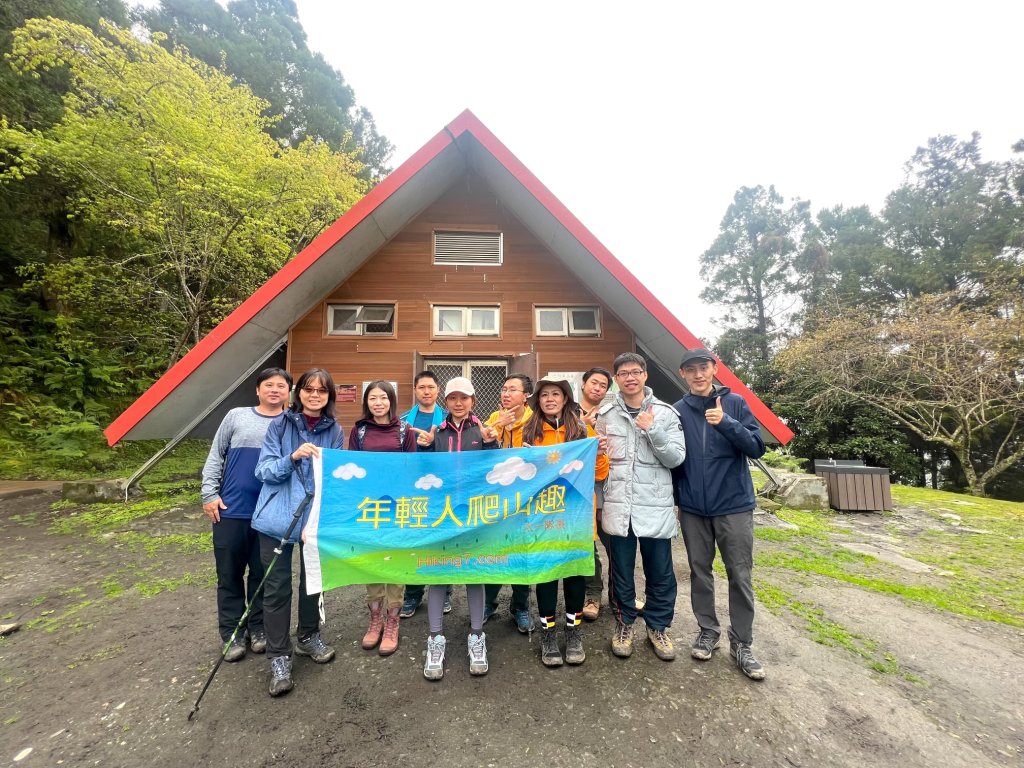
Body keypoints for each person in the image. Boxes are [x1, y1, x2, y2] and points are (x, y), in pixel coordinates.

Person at [673, 348, 767, 680]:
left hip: (733, 505)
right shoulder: (678, 410)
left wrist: (726, 423)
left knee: (739, 574)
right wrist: (677, 500)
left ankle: (742, 643)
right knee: (700, 572)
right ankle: (707, 631)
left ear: (714, 369)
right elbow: (674, 459)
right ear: (683, 374)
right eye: (691, 369)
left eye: (704, 367)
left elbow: (756, 447)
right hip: (693, 508)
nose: (698, 374)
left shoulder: (735, 403)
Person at [252, 368, 344, 697]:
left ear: (329, 395)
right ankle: (279, 655)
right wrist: (292, 457)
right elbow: (263, 470)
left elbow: (333, 479)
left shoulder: (335, 430)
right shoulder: (280, 425)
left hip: (313, 523)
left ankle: (308, 635)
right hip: (276, 519)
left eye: (322, 390)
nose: (315, 395)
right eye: (309, 389)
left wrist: (319, 521)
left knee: (312, 583)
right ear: (299, 392)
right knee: (276, 588)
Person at [596, 352, 686, 661]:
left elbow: (676, 458)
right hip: (618, 506)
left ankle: (658, 627)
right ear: (616, 379)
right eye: (623, 373)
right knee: (621, 571)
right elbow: (599, 464)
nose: (630, 378)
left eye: (635, 372)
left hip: (655, 507)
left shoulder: (666, 413)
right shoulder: (606, 415)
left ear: (645, 375)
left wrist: (652, 429)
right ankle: (624, 624)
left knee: (660, 572)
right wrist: (597, 451)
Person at [200, 367, 292, 662]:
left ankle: (258, 627)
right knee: (229, 573)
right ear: (258, 390)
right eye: (269, 385)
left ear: (288, 392)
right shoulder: (236, 416)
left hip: (270, 513)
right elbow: (216, 455)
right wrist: (209, 494)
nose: (275, 390)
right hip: (231, 510)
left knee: (263, 574)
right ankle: (232, 633)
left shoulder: (292, 422)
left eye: (281, 386)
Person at [523, 378, 609, 667]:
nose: (550, 399)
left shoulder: (582, 430)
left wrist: (599, 454)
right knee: (547, 577)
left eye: (555, 394)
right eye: (544, 395)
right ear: (538, 401)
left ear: (565, 399)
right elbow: (522, 477)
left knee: (575, 577)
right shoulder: (530, 431)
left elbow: (599, 474)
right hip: (542, 518)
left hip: (577, 516)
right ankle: (548, 635)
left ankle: (574, 632)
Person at [417, 376, 497, 680]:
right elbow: (424, 473)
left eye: (464, 398)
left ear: (473, 401)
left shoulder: (482, 430)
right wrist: (425, 449)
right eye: (453, 398)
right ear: (446, 402)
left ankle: (476, 636)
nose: (459, 403)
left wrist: (491, 443)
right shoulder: (437, 433)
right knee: (440, 573)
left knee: (474, 574)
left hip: (475, 514)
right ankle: (435, 638)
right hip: (443, 515)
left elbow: (494, 470)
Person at [350, 380, 417, 656]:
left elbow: (412, 469)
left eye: (383, 398)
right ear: (366, 402)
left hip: (398, 508)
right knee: (373, 562)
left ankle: (392, 622)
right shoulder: (359, 430)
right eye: (373, 398)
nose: (378, 403)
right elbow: (352, 467)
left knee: (396, 562)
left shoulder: (404, 430)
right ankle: (375, 618)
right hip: (370, 508)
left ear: (392, 401)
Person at [482, 373, 534, 633]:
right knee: (495, 550)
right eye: (504, 389)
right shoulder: (494, 417)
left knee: (522, 552)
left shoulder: (535, 421)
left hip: (527, 498)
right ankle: (488, 603)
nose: (506, 394)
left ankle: (520, 605)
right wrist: (496, 426)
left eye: (512, 389)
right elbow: (480, 450)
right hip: (497, 498)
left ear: (526, 395)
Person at [398, 371, 452, 619]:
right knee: (415, 541)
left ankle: (445, 591)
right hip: (412, 492)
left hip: (442, 491)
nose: (427, 391)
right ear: (415, 390)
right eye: (422, 387)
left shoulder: (449, 420)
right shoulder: (402, 422)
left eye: (431, 387)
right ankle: (413, 593)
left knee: (442, 542)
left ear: (438, 390)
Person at [578, 366, 614, 621]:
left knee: (615, 545)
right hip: (580, 489)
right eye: (594, 383)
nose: (598, 388)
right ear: (583, 384)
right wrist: (583, 426)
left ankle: (621, 593)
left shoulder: (611, 414)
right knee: (587, 544)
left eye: (603, 385)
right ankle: (593, 594)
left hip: (607, 486)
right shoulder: (568, 412)